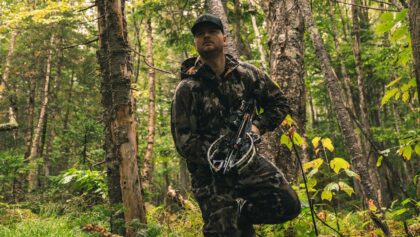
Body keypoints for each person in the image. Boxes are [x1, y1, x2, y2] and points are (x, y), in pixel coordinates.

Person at [170, 14, 301, 237]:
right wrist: (219, 157)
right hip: (210, 175)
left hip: (248, 163)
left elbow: (279, 103)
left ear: (224, 38)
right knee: (224, 232)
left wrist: (258, 126)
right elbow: (185, 143)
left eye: (212, 31)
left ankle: (241, 213)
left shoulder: (247, 74)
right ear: (195, 43)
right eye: (199, 34)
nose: (206, 36)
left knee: (288, 204)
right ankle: (232, 220)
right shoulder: (187, 89)